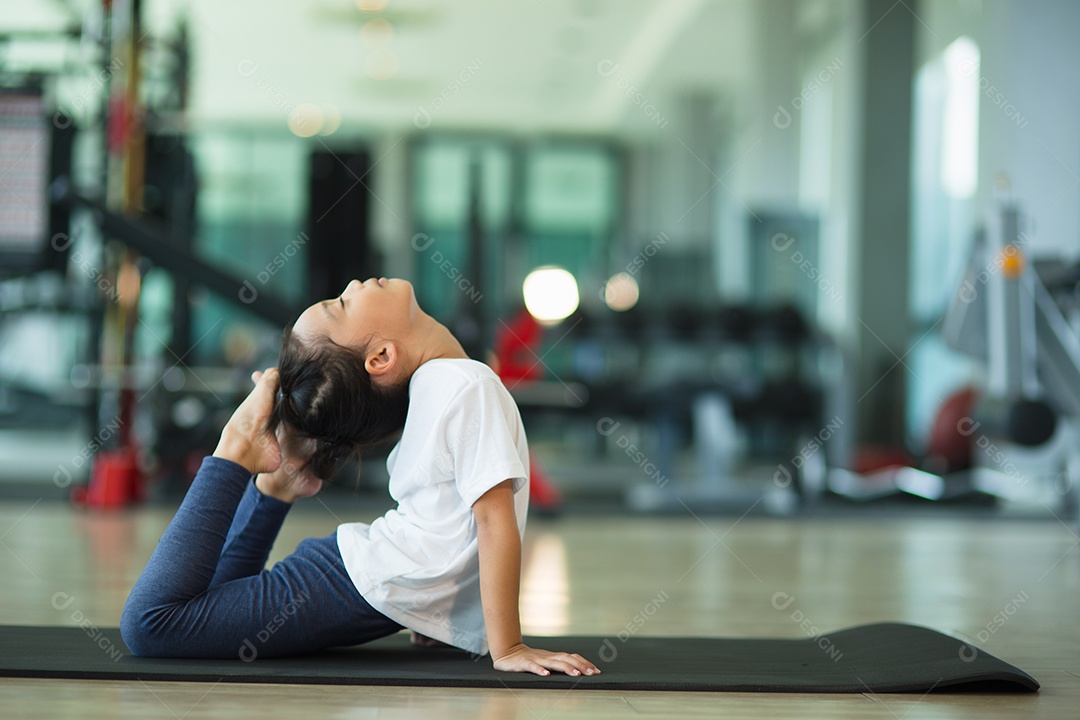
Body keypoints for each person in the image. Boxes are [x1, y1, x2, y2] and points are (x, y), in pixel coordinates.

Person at [120, 277, 600, 678]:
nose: (352, 283)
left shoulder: (447, 384)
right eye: (342, 304)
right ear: (380, 357)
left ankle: (278, 486)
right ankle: (237, 449)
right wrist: (508, 647)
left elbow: (461, 522)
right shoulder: (465, 384)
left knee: (200, 614)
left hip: (363, 579)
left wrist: (440, 618)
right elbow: (492, 523)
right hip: (353, 580)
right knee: (152, 625)